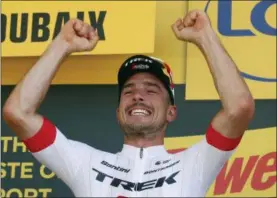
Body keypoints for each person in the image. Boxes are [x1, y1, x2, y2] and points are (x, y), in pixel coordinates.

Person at [3, 10, 255, 197]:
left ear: (171, 112)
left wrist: (205, 37)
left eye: (152, 89)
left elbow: (239, 107)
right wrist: (62, 45)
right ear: (118, 112)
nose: (138, 95)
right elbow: (18, 112)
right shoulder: (85, 164)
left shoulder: (195, 163)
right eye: (129, 90)